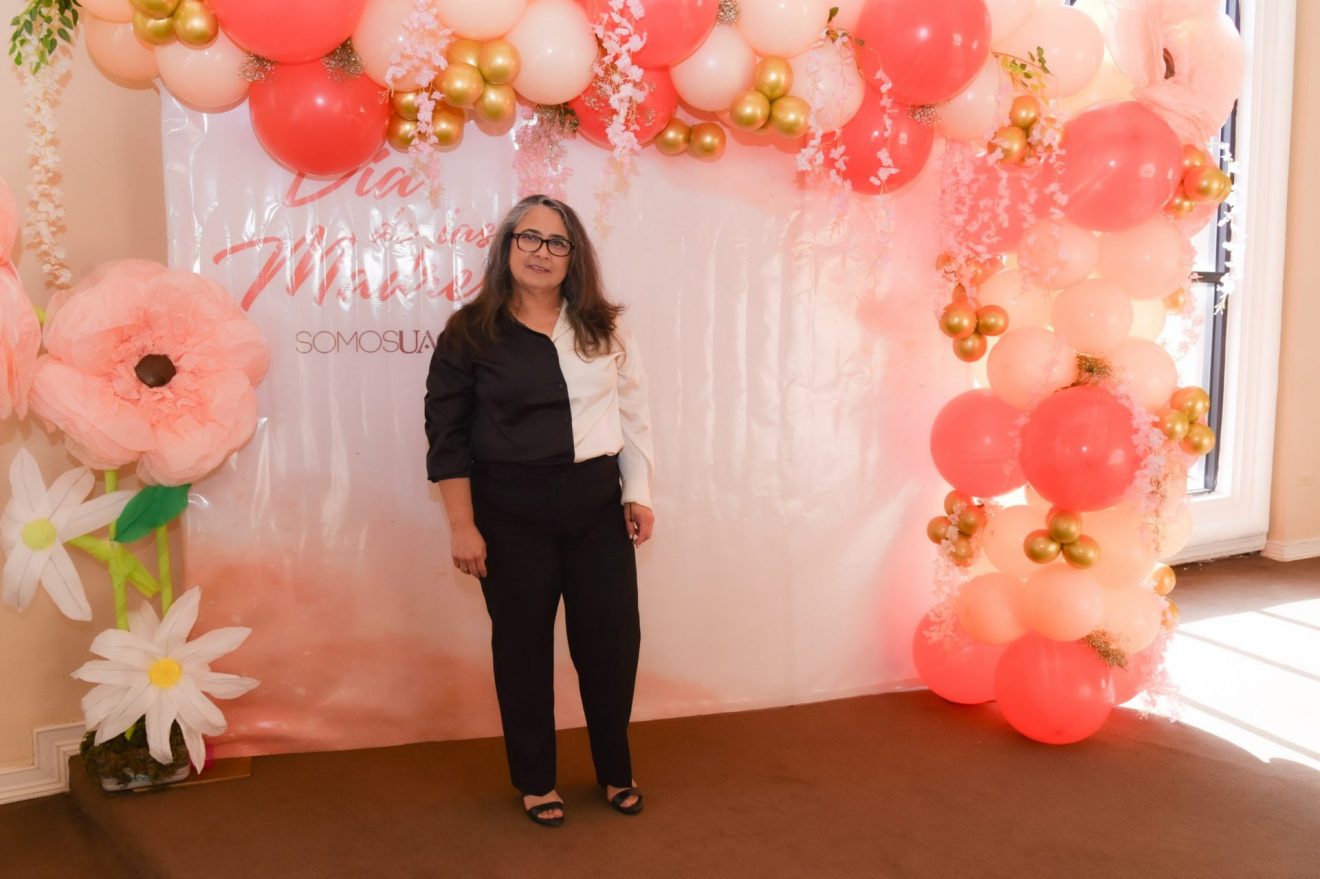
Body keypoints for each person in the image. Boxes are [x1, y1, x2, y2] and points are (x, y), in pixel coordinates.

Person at [424, 194, 655, 828]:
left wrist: (637, 492)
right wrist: (463, 524)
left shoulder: (605, 327)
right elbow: (447, 437)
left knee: (611, 645)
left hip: (596, 507)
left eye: (557, 242)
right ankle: (535, 780)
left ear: (574, 257)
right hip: (510, 513)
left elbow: (633, 414)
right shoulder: (469, 332)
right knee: (523, 649)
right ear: (507, 248)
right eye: (529, 238)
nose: (541, 252)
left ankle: (616, 769)